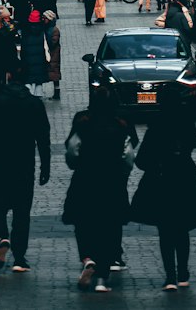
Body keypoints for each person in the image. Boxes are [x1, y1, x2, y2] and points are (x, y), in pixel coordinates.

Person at [130, 82, 196, 290]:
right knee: (182, 229)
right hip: (184, 178)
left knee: (165, 230)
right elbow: (194, 142)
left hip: (161, 180)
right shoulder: (185, 121)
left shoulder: (156, 123)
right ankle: (183, 272)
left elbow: (141, 160)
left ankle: (170, 276)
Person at [0, 71, 51, 274]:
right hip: (24, 165)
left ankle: (1, 237)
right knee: (22, 212)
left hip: (0, 163)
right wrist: (46, 166)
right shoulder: (34, 104)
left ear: (7, 77)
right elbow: (43, 138)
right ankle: (19, 257)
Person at [63, 85, 137, 291]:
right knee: (110, 225)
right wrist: (121, 173)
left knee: (83, 221)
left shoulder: (82, 122)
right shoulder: (120, 125)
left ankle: (87, 256)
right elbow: (128, 156)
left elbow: (72, 150)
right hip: (111, 181)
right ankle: (103, 276)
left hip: (85, 179)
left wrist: (76, 166)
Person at [20, 9, 50, 93]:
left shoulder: (26, 31)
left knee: (28, 80)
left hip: (28, 60)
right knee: (39, 81)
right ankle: (38, 96)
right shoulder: (42, 30)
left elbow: (23, 48)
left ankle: (29, 95)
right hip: (40, 59)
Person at [44, 10, 62, 99]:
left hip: (54, 55)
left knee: (54, 73)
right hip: (51, 54)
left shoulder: (54, 30)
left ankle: (57, 92)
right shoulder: (47, 29)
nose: (43, 20)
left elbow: (53, 43)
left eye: (45, 18)